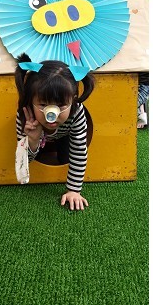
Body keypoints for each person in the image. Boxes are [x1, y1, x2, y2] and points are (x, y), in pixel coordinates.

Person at [14, 53, 95, 211]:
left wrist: (74, 190)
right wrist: (33, 141)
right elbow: (25, 161)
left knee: (65, 158)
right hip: (38, 136)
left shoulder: (77, 111)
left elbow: (79, 151)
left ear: (73, 99)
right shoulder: (25, 116)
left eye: (61, 105)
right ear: (31, 101)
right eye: (43, 105)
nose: (51, 114)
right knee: (37, 155)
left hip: (65, 134)